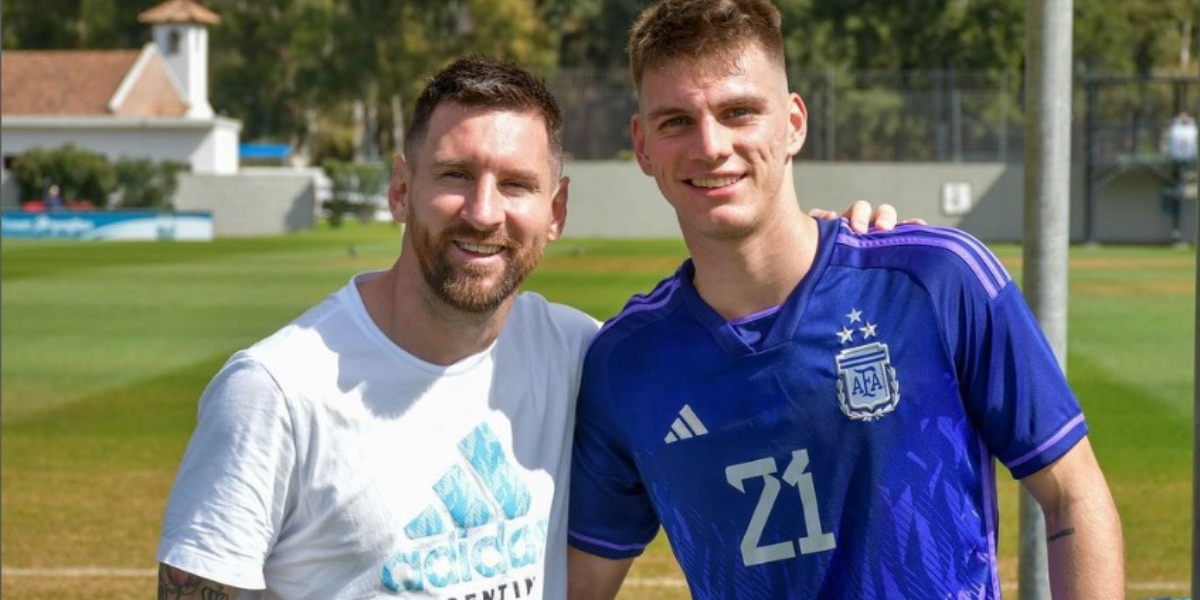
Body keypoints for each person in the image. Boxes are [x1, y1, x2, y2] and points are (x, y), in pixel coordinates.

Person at [156, 55, 897, 600]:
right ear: (400, 189)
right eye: (453, 176)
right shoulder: (276, 392)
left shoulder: (583, 356)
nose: (484, 212)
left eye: (516, 185)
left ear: (557, 211)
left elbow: (744, 346)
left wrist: (836, 253)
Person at [566, 1, 1125, 599]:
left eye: (739, 112)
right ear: (642, 145)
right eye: (676, 121)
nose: (710, 145)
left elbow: (1073, 495)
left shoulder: (933, 280)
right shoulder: (626, 363)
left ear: (794, 124)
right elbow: (582, 585)